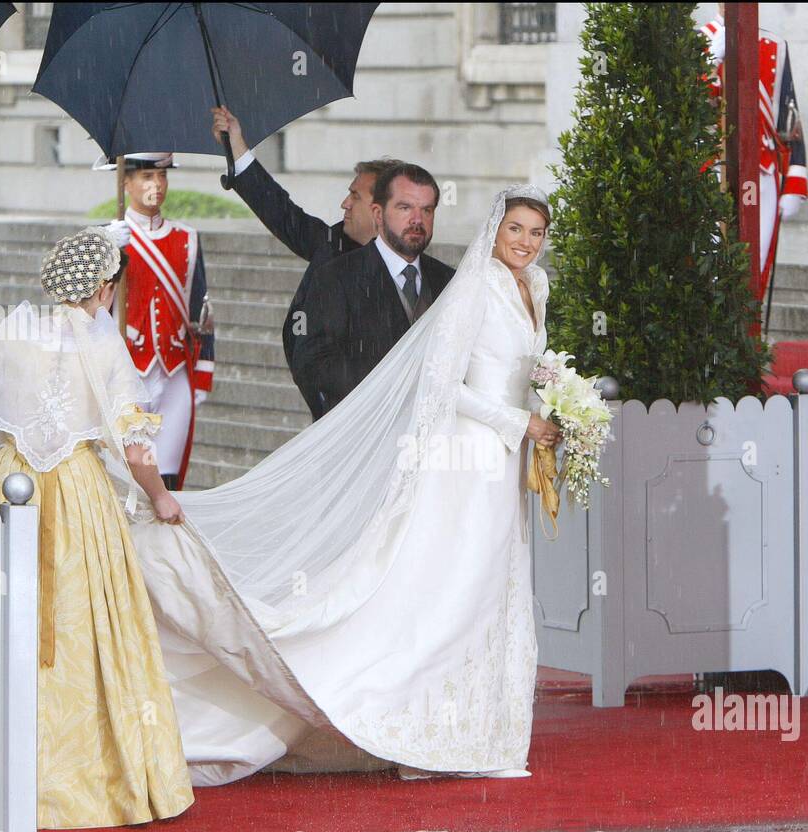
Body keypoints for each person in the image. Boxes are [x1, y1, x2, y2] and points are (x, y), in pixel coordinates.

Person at [119, 185, 562, 783]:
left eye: (535, 232)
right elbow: (439, 383)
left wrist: (558, 413)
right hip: (467, 456)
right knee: (452, 589)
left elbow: (526, 372)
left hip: (506, 464)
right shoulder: (476, 285)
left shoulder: (535, 288)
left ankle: (476, 728)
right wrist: (517, 421)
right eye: (516, 229)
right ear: (495, 229)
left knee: (488, 587)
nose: (525, 242)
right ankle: (412, 723)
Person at [0, 227, 194, 828]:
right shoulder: (103, 346)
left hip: (11, 488)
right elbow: (133, 442)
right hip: (76, 495)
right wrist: (160, 498)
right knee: (88, 624)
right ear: (102, 288)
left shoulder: (14, 331)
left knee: (8, 616)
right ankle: (98, 780)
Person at [211, 105, 400, 418]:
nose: (345, 203)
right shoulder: (334, 245)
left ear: (382, 209)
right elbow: (283, 214)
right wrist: (237, 147)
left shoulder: (416, 278)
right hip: (330, 418)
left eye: (355, 196)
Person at [290, 163, 456, 417]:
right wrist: (392, 387)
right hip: (359, 435)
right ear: (378, 214)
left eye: (427, 210)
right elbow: (312, 363)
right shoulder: (335, 276)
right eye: (404, 208)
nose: (417, 220)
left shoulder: (449, 280)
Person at [96, 152, 215, 489]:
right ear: (126, 182)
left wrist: (203, 374)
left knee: (168, 472)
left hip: (175, 370)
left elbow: (201, 312)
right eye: (147, 176)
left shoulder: (186, 238)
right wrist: (109, 252)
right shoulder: (110, 237)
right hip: (127, 370)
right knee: (126, 469)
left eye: (162, 177)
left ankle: (163, 540)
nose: (157, 185)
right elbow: (91, 307)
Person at [701, 12, 808, 291]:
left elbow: (789, 117)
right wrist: (711, 60)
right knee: (711, 264)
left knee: (754, 263)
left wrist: (795, 183)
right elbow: (691, 111)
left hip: (763, 170)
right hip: (712, 168)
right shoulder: (699, 41)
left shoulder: (775, 45)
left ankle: (749, 332)